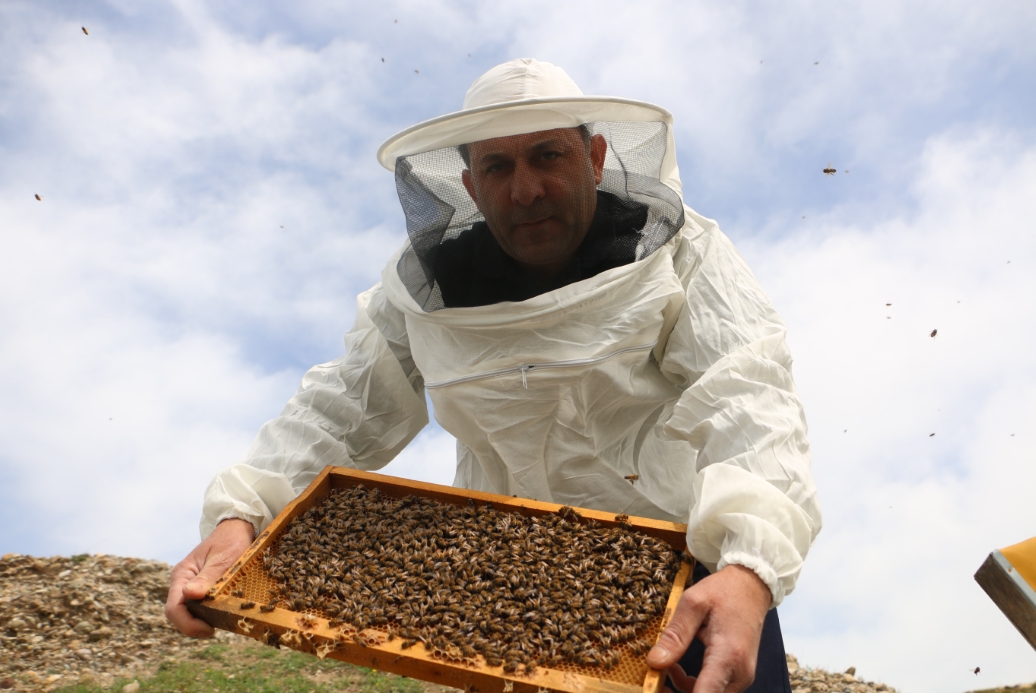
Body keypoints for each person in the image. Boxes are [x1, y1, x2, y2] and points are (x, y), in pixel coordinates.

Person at [166, 59, 822, 693]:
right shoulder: (421, 289)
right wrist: (242, 513)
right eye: (497, 167)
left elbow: (748, 390)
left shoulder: (686, 253)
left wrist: (749, 567)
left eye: (547, 155)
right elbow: (346, 401)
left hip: (681, 594)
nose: (525, 190)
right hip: (501, 602)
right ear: (470, 185)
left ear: (594, 160)